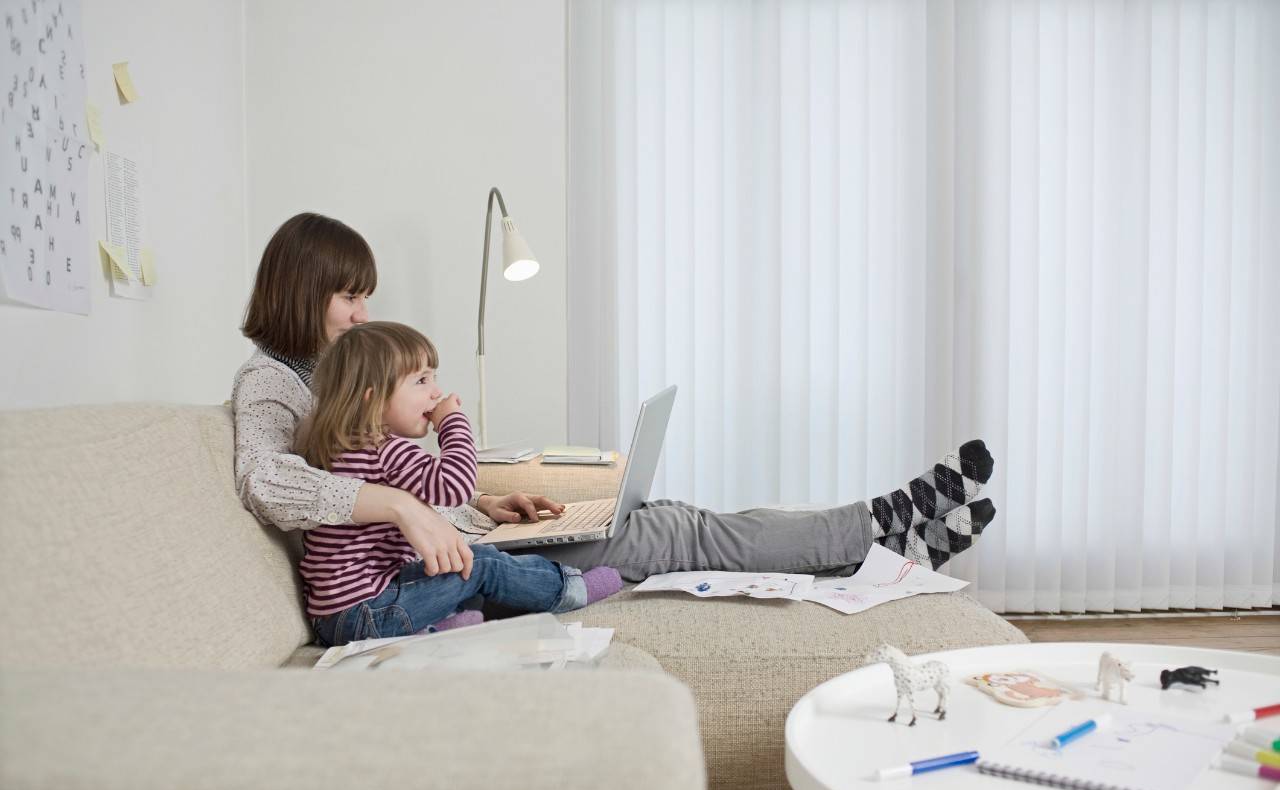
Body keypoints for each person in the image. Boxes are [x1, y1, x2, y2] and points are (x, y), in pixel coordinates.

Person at [232, 212, 997, 599]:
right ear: (304, 292)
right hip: (420, 580)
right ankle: (878, 523)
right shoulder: (271, 382)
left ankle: (884, 553)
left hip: (450, 548)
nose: (363, 315)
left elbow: (398, 486)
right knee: (673, 529)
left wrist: (478, 509)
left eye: (366, 297)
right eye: (349, 297)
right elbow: (265, 484)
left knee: (667, 516)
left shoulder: (332, 376)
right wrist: (408, 512)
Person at [293, 320, 621, 646]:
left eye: (434, 378)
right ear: (372, 398)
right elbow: (454, 487)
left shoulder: (342, 447)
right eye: (421, 380)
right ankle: (569, 590)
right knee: (482, 564)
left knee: (447, 566)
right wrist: (452, 423)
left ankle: (436, 629)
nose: (436, 392)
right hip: (370, 613)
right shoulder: (383, 450)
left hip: (337, 618)